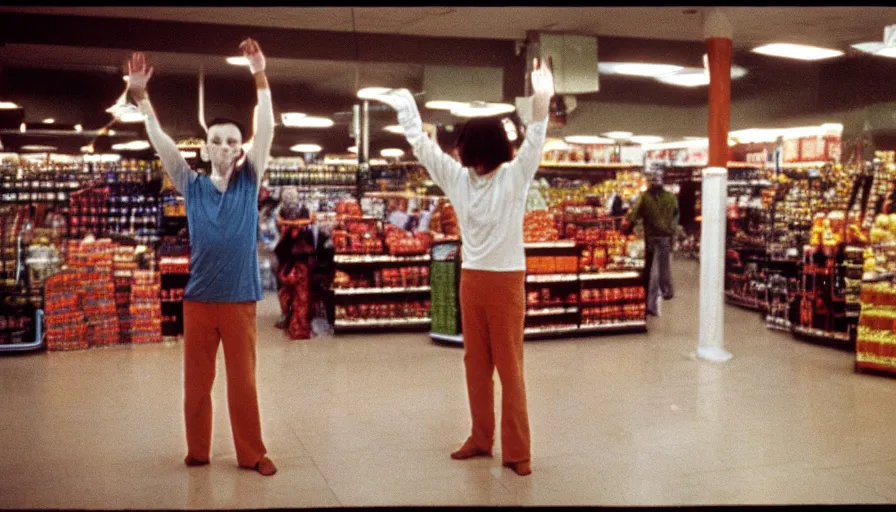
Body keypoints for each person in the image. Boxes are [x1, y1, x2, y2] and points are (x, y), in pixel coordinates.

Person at [372, 58, 554, 477]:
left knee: (509, 369)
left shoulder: (515, 176)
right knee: (475, 365)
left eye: (464, 143)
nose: (456, 150)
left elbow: (537, 138)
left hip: (506, 280)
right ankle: (480, 437)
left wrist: (542, 98)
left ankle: (518, 451)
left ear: (477, 148)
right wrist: (407, 112)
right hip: (472, 279)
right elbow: (423, 148)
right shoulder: (458, 178)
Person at [127, 39, 277, 476]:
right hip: (198, 300)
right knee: (197, 386)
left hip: (241, 300)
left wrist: (260, 73)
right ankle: (198, 450)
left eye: (233, 141)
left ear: (240, 148)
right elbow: (160, 141)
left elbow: (265, 129)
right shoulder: (189, 184)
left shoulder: (251, 178)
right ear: (206, 148)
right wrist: (141, 96)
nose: (227, 147)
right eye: (217, 141)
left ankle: (252, 453)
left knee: (243, 384)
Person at [625, 170, 679, 317]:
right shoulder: (670, 197)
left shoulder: (645, 197)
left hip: (652, 237)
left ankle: (651, 305)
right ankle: (667, 291)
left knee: (653, 271)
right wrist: (671, 230)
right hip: (666, 237)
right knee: (664, 266)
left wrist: (627, 228)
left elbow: (635, 214)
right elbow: (676, 214)